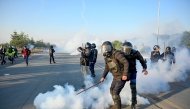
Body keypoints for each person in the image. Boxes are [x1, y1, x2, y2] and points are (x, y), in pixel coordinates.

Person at [100, 41, 129, 109]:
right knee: (111, 90)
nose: (106, 50)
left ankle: (118, 107)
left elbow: (126, 62)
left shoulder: (117, 54)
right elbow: (107, 68)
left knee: (115, 93)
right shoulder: (107, 57)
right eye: (104, 49)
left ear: (111, 47)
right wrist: (103, 77)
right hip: (115, 77)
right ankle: (116, 105)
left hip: (121, 77)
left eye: (108, 48)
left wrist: (125, 74)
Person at [121, 42, 148, 109]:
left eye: (128, 49)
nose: (126, 51)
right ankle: (116, 100)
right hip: (123, 72)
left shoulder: (135, 53)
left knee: (133, 87)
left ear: (131, 49)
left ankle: (133, 102)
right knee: (118, 86)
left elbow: (142, 61)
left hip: (132, 71)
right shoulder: (120, 53)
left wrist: (144, 68)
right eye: (125, 49)